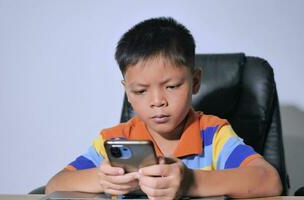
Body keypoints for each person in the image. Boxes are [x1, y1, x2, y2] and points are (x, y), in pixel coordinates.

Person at [46, 17, 282, 199]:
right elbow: (54, 184)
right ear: (127, 91)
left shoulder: (214, 135)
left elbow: (270, 180)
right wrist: (101, 179)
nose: (157, 101)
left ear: (195, 81)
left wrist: (191, 182)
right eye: (140, 91)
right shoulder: (113, 141)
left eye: (171, 86)